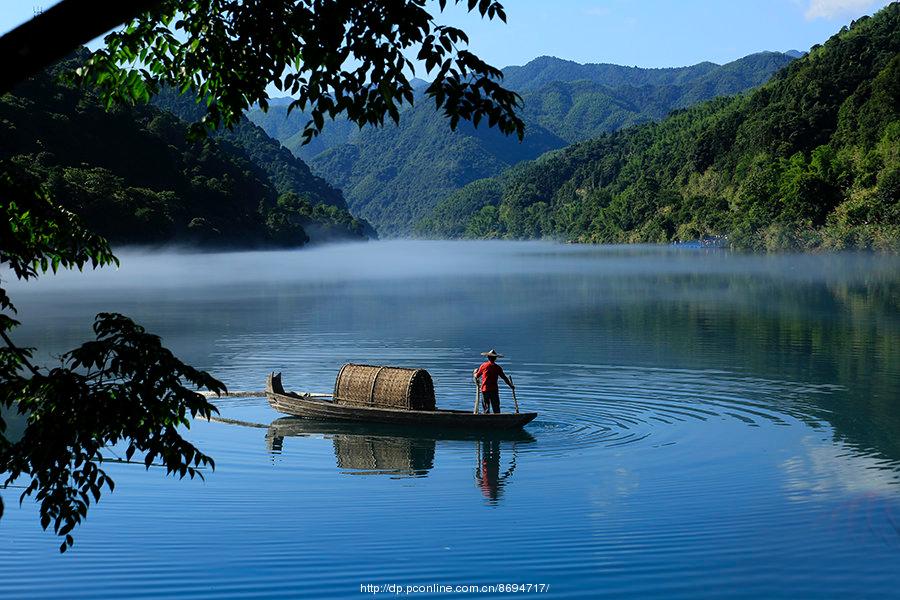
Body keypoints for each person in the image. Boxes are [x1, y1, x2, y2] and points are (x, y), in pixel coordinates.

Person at [473, 349, 514, 414]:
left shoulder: (483, 366)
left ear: (488, 357)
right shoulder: (498, 367)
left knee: (486, 408)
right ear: (495, 358)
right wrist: (511, 385)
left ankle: (487, 418)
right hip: (494, 390)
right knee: (496, 408)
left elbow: (477, 376)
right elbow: (504, 378)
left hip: (485, 390)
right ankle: (497, 418)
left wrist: (475, 372)